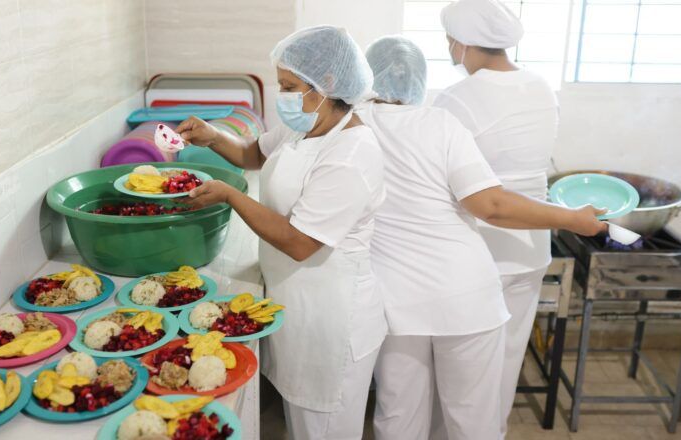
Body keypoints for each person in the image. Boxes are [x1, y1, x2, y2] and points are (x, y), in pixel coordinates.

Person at [360, 35, 606, 440]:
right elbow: (490, 205)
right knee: (472, 416)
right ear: (418, 82)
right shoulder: (440, 123)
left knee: (398, 411)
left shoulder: (351, 126)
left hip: (393, 300)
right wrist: (572, 220)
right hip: (462, 296)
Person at [176, 26, 387, 440]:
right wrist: (213, 136)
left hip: (330, 315)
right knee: (302, 422)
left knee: (323, 426)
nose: (283, 95)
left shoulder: (351, 153)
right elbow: (252, 154)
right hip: (296, 300)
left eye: (289, 86)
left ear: (326, 84)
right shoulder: (307, 123)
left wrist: (230, 196)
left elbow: (300, 242)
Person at [432, 0, 560, 436]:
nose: (449, 48)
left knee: (462, 375)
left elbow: (440, 173)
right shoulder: (541, 85)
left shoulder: (458, 98)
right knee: (505, 360)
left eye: (449, 41)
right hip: (532, 247)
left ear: (462, 43)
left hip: (481, 249)